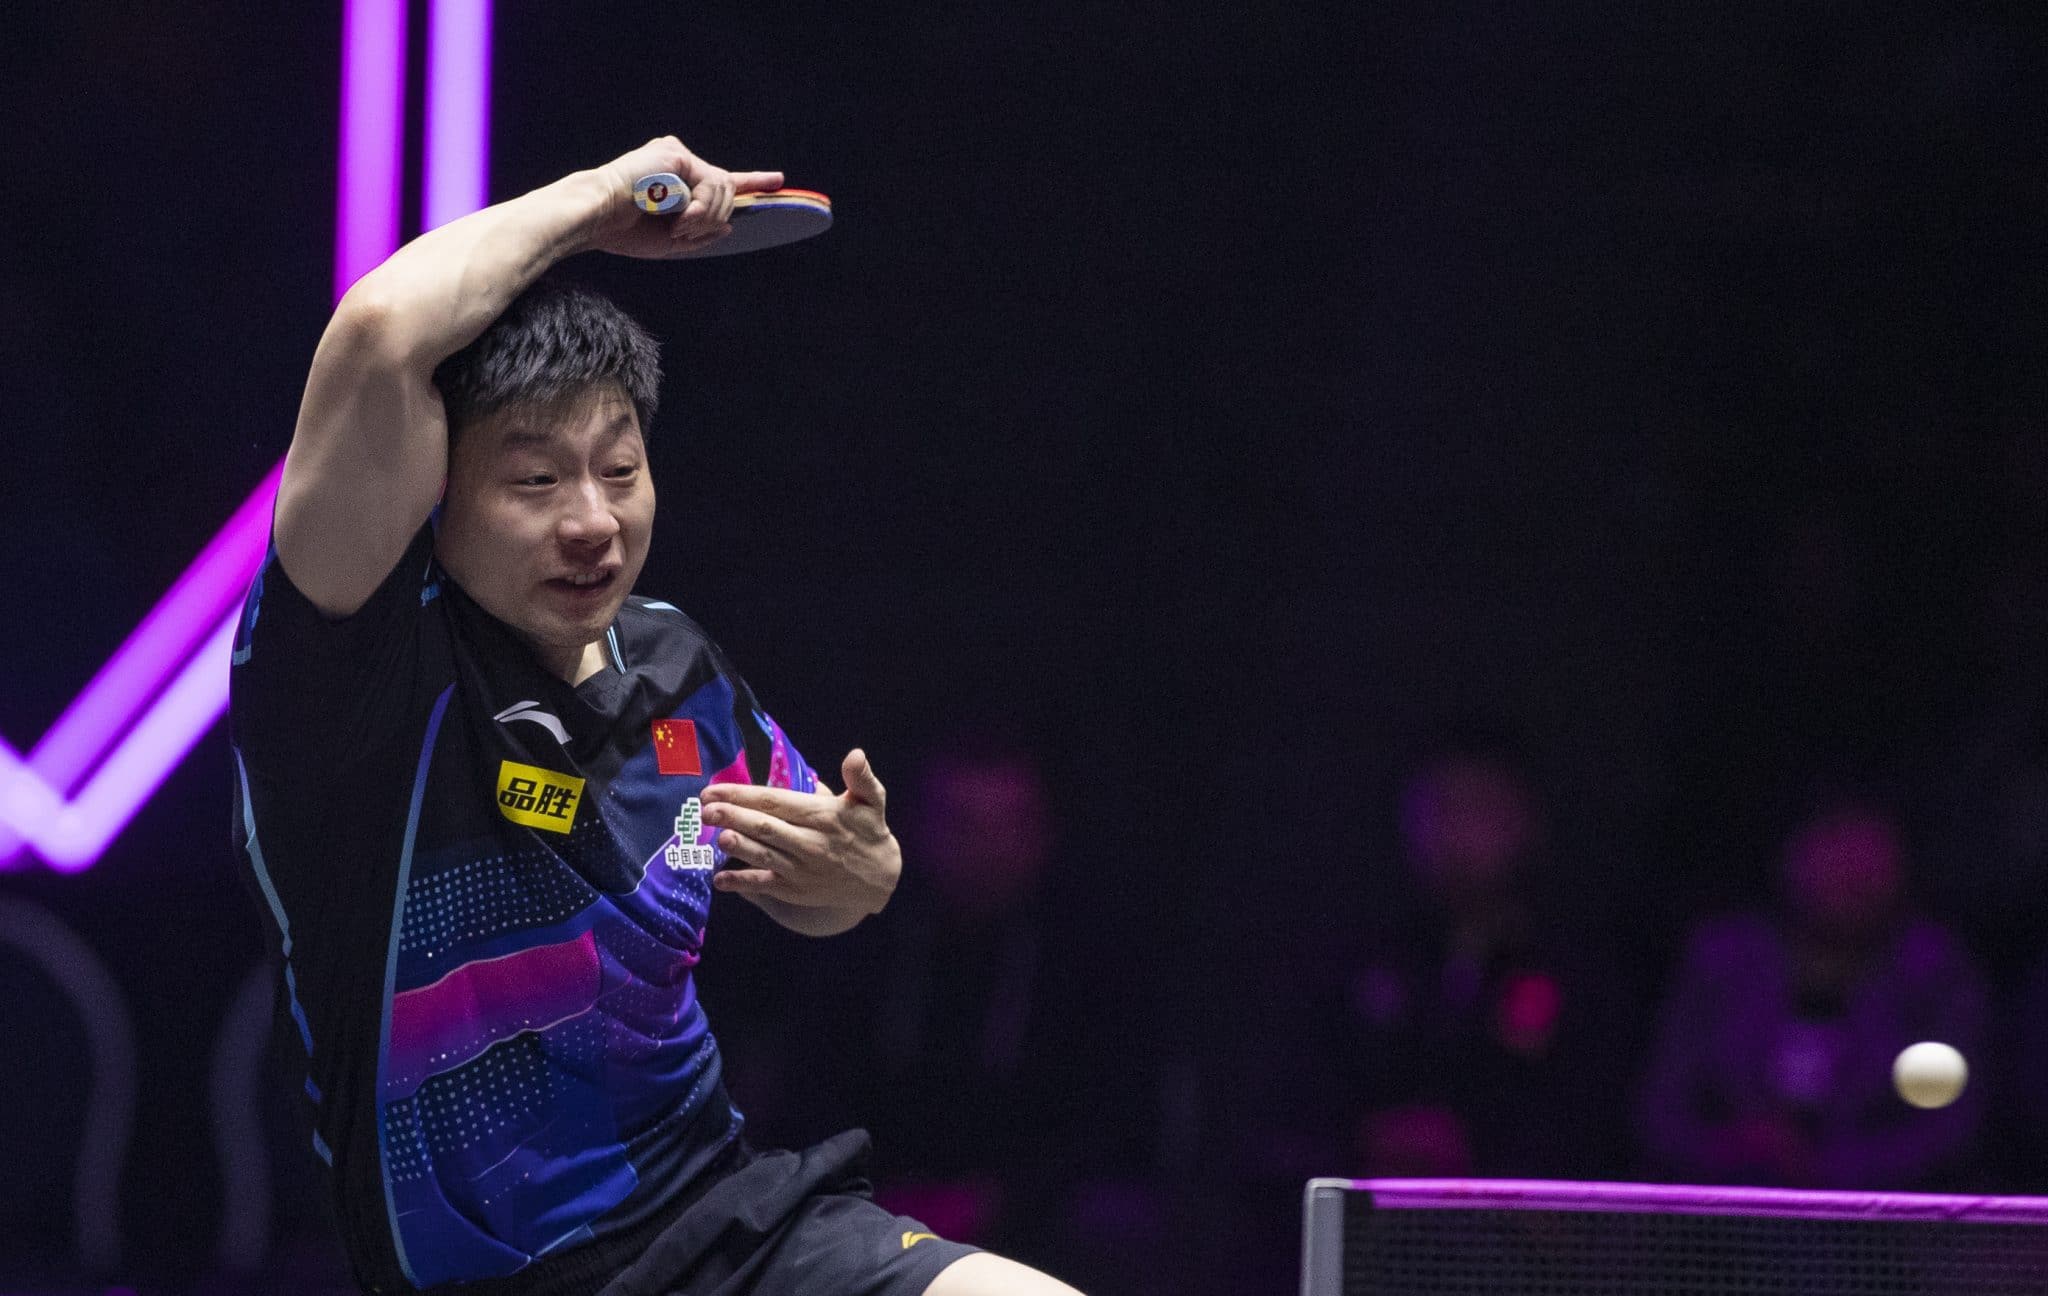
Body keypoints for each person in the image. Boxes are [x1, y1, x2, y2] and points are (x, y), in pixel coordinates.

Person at [228, 135, 1081, 1296]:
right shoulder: (359, 672)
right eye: (535, 481)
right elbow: (381, 329)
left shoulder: (677, 665)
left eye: (618, 471)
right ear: (436, 492)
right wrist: (598, 204)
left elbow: (815, 883)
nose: (592, 521)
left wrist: (862, 876)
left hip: (728, 1227)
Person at [1636, 793, 1988, 1189]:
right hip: (1729, 1202)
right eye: (1835, 844)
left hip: (1881, 1211)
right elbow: (1663, 1111)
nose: (1853, 870)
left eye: (1868, 850)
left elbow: (1952, 1129)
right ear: (1794, 854)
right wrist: (1734, 1149)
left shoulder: (1933, 971)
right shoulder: (1722, 960)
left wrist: (1826, 1169)